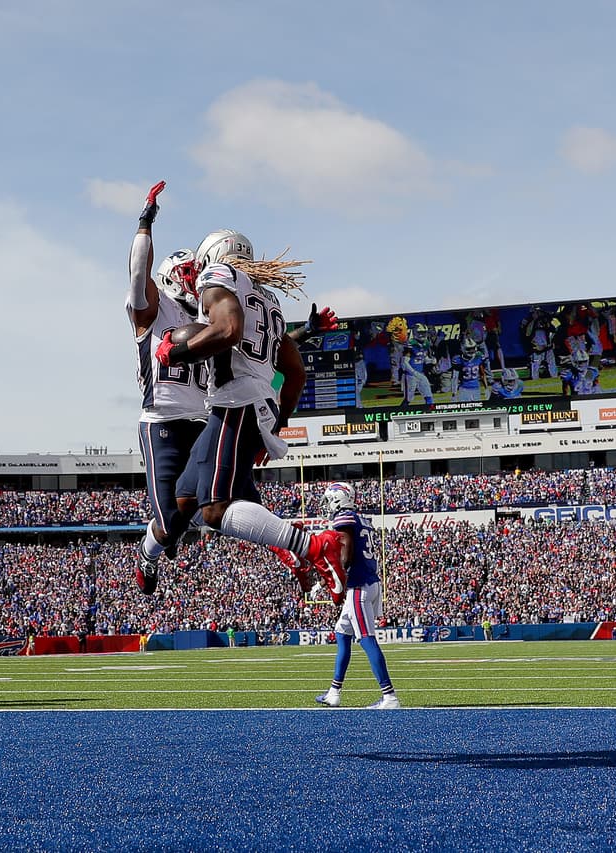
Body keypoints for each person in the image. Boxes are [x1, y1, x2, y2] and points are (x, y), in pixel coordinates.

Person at [156, 227, 345, 598]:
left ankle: (314, 547)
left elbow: (227, 330)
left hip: (235, 404)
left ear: (211, 257)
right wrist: (275, 424)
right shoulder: (267, 299)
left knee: (214, 510)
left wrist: (175, 352)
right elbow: (294, 371)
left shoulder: (218, 277)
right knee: (184, 498)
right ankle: (295, 549)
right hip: (252, 406)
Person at [126, 180, 209, 595]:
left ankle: (171, 534)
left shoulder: (210, 319)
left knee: (206, 506)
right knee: (168, 522)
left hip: (201, 421)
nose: (195, 279)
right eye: (188, 272)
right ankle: (147, 554)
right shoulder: (156, 311)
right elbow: (138, 275)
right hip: (161, 422)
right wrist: (146, 221)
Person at [304, 483, 400, 709]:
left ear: (338, 499)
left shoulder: (344, 519)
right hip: (369, 582)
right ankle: (334, 692)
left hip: (359, 586)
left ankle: (389, 696)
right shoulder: (361, 519)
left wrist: (329, 579)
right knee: (341, 633)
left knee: (366, 638)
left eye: (329, 500)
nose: (326, 505)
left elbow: (345, 555)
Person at [399, 323, 435, 408]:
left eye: (424, 332)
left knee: (428, 394)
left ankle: (431, 412)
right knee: (409, 398)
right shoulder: (411, 344)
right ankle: (399, 412)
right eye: (420, 332)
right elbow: (404, 362)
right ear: (415, 332)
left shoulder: (425, 343)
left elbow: (423, 358)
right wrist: (414, 372)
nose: (422, 334)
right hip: (410, 375)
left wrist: (431, 361)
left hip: (420, 374)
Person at [451, 338, 489, 403]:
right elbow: (455, 377)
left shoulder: (478, 357)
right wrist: (454, 393)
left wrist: (486, 388)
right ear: (463, 348)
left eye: (473, 348)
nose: (471, 351)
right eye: (469, 349)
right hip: (464, 389)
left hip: (476, 388)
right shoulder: (458, 360)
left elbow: (482, 374)